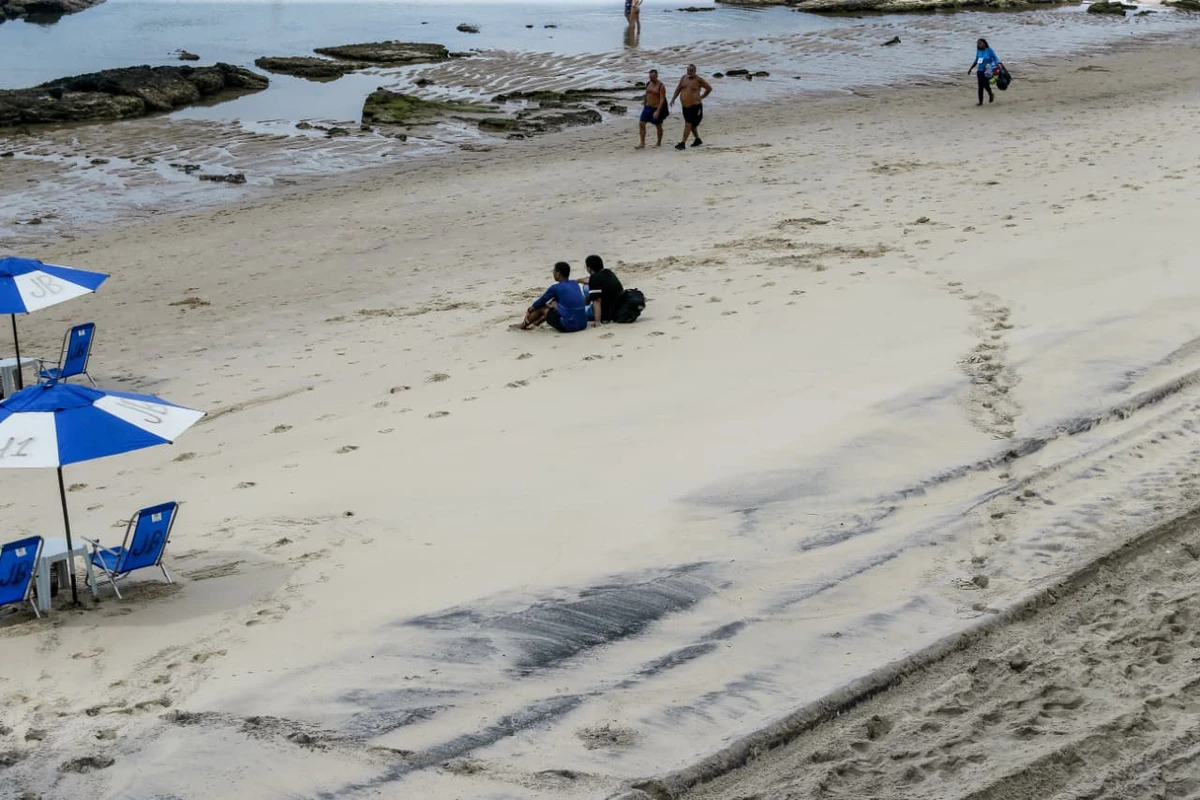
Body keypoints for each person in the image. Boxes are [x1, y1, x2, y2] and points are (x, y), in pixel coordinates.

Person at [517, 262, 589, 332]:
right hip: (582, 324)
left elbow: (541, 301)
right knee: (553, 303)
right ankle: (536, 323)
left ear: (558, 273)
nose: (553, 273)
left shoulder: (555, 288)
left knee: (542, 308)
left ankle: (523, 325)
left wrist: (530, 309)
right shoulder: (574, 284)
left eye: (554, 271)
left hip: (569, 326)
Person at [670, 64, 712, 150]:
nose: (689, 72)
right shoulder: (683, 78)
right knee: (691, 125)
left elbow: (709, 88)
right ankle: (697, 139)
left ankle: (683, 143)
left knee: (688, 124)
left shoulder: (699, 80)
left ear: (695, 71)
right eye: (688, 70)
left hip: (695, 106)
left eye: (691, 71)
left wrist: (702, 96)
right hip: (685, 106)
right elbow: (678, 89)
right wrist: (673, 98)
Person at [576, 254, 625, 326]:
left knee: (578, 312)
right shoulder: (607, 272)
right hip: (618, 305)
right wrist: (577, 281)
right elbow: (589, 280)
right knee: (586, 287)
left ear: (589, 268)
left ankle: (586, 307)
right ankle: (586, 303)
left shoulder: (594, 279)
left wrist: (597, 321)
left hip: (606, 312)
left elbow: (597, 301)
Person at [637, 69, 668, 149]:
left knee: (658, 125)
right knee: (641, 123)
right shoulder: (648, 83)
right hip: (647, 107)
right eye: (650, 77)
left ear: (656, 76)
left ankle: (658, 142)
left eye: (653, 77)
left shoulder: (661, 86)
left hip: (656, 108)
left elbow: (662, 99)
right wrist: (644, 103)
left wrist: (658, 111)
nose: (651, 79)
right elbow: (647, 94)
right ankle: (642, 143)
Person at [968, 38, 1000, 106]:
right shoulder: (979, 51)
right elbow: (976, 60)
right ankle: (980, 102)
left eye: (980, 43)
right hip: (980, 70)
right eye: (978, 44)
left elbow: (995, 58)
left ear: (984, 43)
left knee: (985, 85)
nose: (979, 45)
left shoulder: (989, 50)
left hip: (988, 70)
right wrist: (970, 68)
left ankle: (990, 94)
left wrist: (997, 65)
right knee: (980, 87)